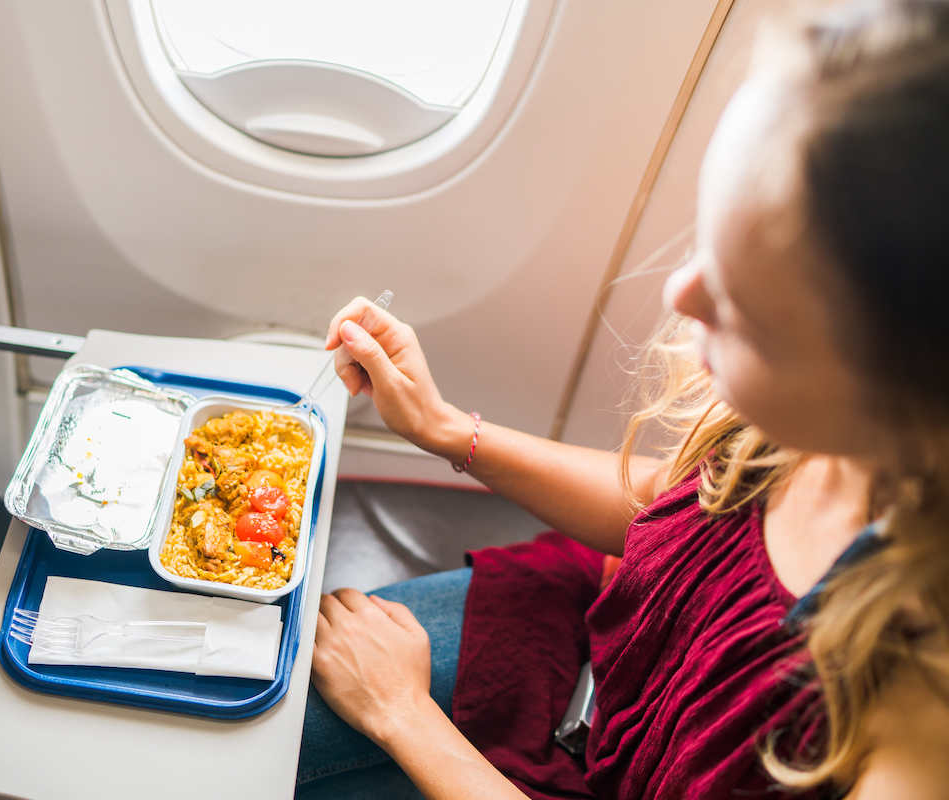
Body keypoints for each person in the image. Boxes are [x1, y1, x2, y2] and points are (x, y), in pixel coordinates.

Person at [295, 1, 949, 798]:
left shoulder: (920, 723)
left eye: (753, 312)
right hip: (598, 653)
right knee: (253, 700)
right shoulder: (812, 433)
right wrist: (442, 429)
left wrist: (402, 712)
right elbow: (685, 519)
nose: (684, 292)